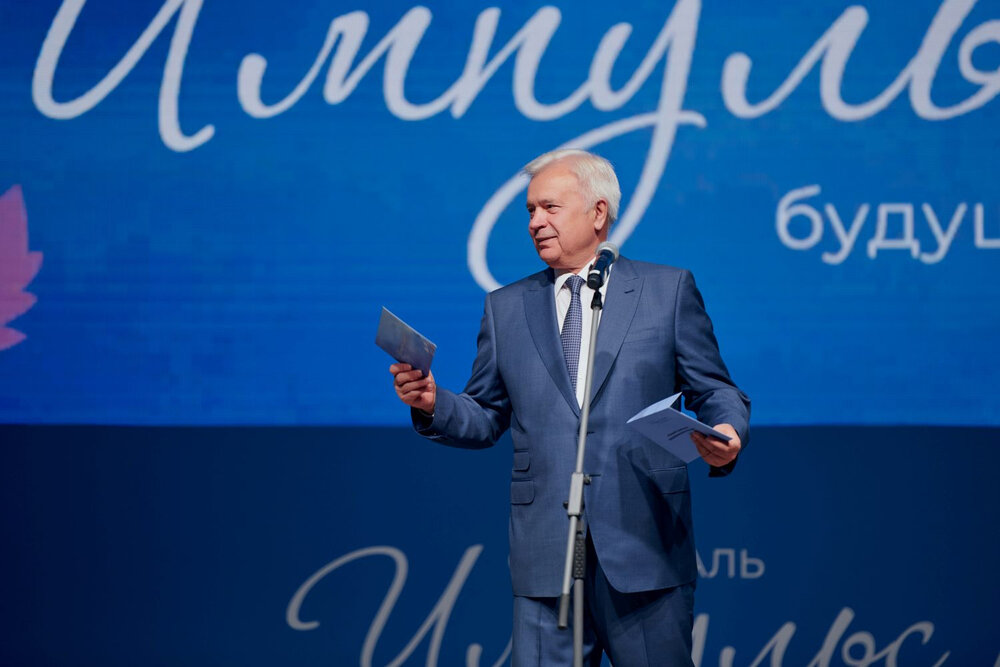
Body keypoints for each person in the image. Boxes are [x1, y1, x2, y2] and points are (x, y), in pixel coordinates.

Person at [390, 149, 749, 666]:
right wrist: (431, 403)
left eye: (549, 207)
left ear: (598, 213)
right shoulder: (505, 307)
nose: (535, 222)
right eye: (530, 210)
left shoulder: (667, 291)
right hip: (546, 554)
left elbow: (715, 388)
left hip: (644, 545)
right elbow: (485, 415)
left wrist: (726, 431)